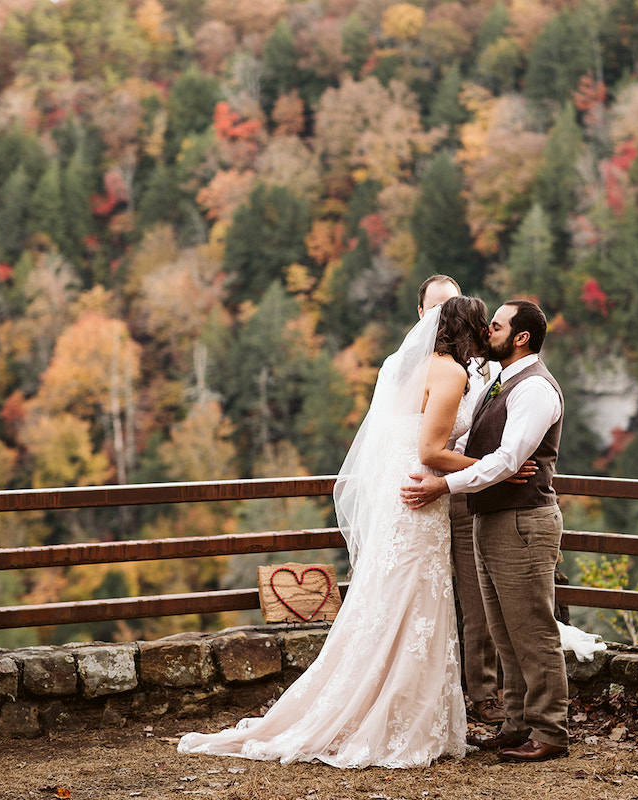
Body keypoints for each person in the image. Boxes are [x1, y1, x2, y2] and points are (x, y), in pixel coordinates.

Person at [178, 295, 489, 768]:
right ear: (470, 329)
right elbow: (429, 451)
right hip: (420, 497)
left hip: (401, 494)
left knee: (396, 603)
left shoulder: (412, 367)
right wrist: (493, 467)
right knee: (415, 601)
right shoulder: (451, 372)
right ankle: (395, 720)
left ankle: (388, 708)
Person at [401, 299, 569, 763]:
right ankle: (516, 725)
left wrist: (443, 485)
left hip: (523, 521)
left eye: (494, 326)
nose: (484, 332)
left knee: (532, 630)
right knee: (504, 632)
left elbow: (509, 460)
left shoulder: (535, 389)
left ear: (520, 338)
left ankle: (550, 731)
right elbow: (470, 443)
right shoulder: (499, 381)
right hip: (491, 518)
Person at [416, 274, 504, 724]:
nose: (443, 315)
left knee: (476, 596)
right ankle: (427, 692)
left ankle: (483, 691)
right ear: (421, 314)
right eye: (436, 309)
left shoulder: (487, 368)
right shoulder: (412, 364)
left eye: (450, 306)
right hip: (422, 490)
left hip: (468, 490)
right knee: (421, 592)